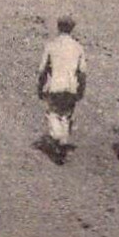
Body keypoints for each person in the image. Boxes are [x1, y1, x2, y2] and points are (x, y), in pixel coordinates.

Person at [37, 16, 86, 163]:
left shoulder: (52, 45)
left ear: (58, 28)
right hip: (71, 87)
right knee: (66, 115)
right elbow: (82, 72)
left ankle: (58, 137)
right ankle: (63, 139)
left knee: (53, 113)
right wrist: (81, 89)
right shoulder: (78, 47)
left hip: (55, 86)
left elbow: (43, 69)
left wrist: (40, 86)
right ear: (72, 29)